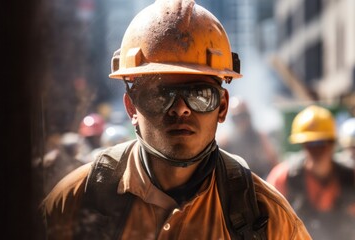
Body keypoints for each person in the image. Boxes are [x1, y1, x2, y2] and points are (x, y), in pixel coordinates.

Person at [41, 0, 311, 239]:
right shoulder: (76, 202)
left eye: (200, 95)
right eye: (160, 94)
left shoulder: (264, 216)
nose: (181, 109)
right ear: (131, 107)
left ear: (223, 107)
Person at [267, 105, 355, 240]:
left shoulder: (350, 177)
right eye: (310, 144)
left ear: (332, 144)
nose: (316, 150)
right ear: (303, 145)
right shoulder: (283, 178)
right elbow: (268, 224)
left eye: (321, 143)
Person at [220, 96, 279, 179]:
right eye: (236, 118)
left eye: (243, 116)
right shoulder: (226, 142)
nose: (240, 121)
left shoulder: (261, 138)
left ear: (249, 116)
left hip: (261, 181)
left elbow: (275, 165)